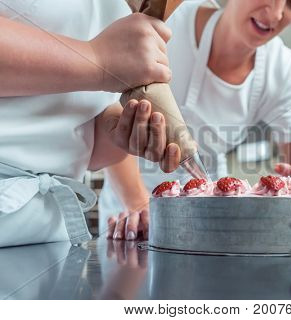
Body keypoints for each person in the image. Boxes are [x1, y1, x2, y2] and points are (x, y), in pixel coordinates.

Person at [100, 0, 291, 240]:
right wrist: (139, 205)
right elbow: (108, 116)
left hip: (211, 211)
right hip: (131, 207)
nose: (276, 13)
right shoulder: (166, 20)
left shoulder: (284, 68)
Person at [0, 1, 180, 247]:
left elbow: (75, 139)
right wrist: (98, 60)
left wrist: (116, 132)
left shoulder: (124, 10)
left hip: (48, 236)